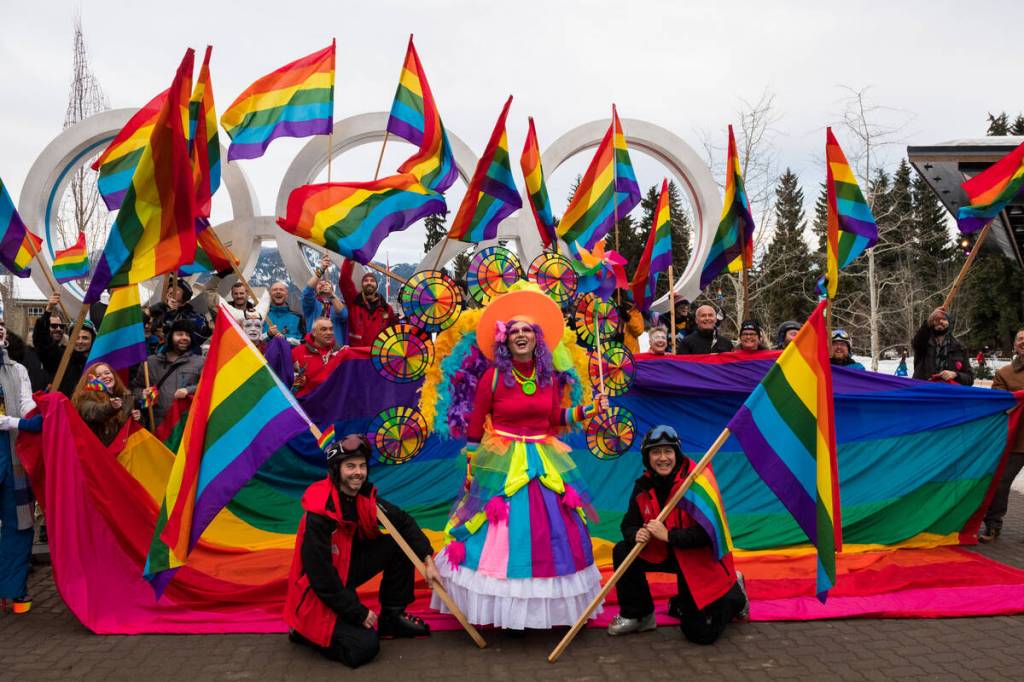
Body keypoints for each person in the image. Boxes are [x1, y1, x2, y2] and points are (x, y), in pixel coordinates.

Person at [431, 287, 609, 630]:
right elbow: (474, 423)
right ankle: (497, 604)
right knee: (492, 531)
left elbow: (555, 419)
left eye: (527, 330)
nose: (521, 336)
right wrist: (471, 465)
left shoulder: (548, 378)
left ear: (538, 338)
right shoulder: (493, 377)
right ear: (505, 340)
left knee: (554, 531)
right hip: (502, 459)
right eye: (514, 331)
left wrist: (589, 410)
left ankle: (544, 607)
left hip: (543, 457)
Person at [285, 434, 437, 667]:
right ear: (336, 470)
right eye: (350, 466)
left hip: (347, 569)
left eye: (362, 466)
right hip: (320, 589)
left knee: (397, 545)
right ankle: (304, 633)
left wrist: (428, 561)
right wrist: (358, 612)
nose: (358, 472)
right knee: (364, 647)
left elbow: (403, 521)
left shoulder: (363, 498)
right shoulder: (319, 514)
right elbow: (322, 579)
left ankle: (392, 617)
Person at [607, 426, 747, 644]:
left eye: (668, 451)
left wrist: (669, 536)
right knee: (623, 550)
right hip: (664, 553)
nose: (663, 458)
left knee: (700, 633)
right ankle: (639, 615)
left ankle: (735, 596)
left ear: (676, 454)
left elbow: (709, 534)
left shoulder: (698, 482)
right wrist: (637, 534)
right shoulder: (643, 485)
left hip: (697, 559)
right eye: (656, 452)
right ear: (647, 457)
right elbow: (628, 524)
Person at [0, 320, 43, 615]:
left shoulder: (17, 369)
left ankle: (13, 589)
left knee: (19, 523)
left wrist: (42, 411)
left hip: (13, 457)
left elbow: (25, 402)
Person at [979, 327, 1024, 543]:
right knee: (1000, 484)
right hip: (1016, 441)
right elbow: (998, 405)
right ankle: (993, 526)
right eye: (1020, 339)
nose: (1023, 342)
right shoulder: (1004, 373)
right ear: (1015, 344)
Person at [134, 319, 204, 426]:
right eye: (179, 334)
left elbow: (208, 386)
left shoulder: (200, 362)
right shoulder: (150, 362)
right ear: (170, 336)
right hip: (156, 426)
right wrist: (142, 394)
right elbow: (136, 389)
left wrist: (188, 390)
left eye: (187, 335)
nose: (184, 338)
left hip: (185, 427)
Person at [32, 293, 96, 396]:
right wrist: (48, 310)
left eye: (85, 338)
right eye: (76, 337)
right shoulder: (61, 357)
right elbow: (42, 342)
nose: (80, 341)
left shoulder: (97, 361)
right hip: (64, 409)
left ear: (92, 340)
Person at [71, 362, 140, 446]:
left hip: (121, 451)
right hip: (99, 451)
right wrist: (111, 407)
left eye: (107, 373)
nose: (104, 376)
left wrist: (136, 417)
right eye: (98, 376)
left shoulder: (126, 397)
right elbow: (95, 411)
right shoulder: (85, 399)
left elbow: (127, 428)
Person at [339, 259, 397, 348]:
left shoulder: (387, 309)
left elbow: (394, 333)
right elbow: (344, 281)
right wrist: (349, 259)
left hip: (378, 356)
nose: (369, 282)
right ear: (362, 284)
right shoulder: (353, 302)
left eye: (372, 281)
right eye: (366, 280)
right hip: (358, 355)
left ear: (377, 285)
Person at [911, 307, 973, 386]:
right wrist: (928, 321)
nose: (940, 321)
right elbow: (917, 341)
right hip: (923, 393)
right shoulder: (922, 343)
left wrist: (955, 375)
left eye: (944, 319)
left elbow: (970, 379)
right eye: (936, 319)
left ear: (949, 323)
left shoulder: (960, 348)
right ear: (931, 323)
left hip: (947, 395)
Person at [303, 255, 348, 347]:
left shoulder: (337, 304)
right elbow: (307, 291)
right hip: (314, 347)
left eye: (327, 284)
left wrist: (331, 296)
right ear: (316, 289)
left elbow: (344, 315)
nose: (323, 285)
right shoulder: (311, 305)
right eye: (320, 284)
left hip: (335, 348)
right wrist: (322, 268)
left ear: (332, 289)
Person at [291, 318, 343, 397]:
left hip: (333, 403)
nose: (329, 333)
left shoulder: (341, 353)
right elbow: (288, 378)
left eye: (331, 329)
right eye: (324, 329)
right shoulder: (297, 352)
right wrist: (296, 380)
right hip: (306, 403)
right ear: (314, 333)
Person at [259, 280, 305, 346]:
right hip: (264, 355)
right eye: (275, 290)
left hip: (289, 355)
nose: (278, 292)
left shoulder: (298, 318)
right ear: (270, 294)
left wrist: (285, 338)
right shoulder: (261, 316)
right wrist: (267, 334)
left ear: (286, 295)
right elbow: (254, 339)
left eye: (281, 290)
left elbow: (302, 342)